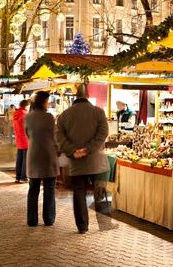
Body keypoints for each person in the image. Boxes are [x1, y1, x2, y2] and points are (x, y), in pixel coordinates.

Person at [57, 85, 109, 234]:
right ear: (87, 95)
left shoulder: (64, 115)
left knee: (79, 194)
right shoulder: (99, 112)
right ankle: (104, 224)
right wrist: (89, 149)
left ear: (74, 97)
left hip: (76, 162)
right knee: (100, 191)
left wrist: (73, 151)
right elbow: (103, 133)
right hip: (96, 161)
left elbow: (59, 138)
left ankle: (82, 226)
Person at [24, 91, 59, 227]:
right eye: (47, 101)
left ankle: (32, 220)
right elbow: (54, 136)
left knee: (33, 189)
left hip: (33, 155)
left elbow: (28, 135)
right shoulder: (49, 117)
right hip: (48, 155)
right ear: (43, 102)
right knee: (49, 188)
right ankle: (49, 218)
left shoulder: (28, 117)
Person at [13, 100, 29, 183]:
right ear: (26, 106)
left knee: (19, 158)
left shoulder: (16, 113)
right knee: (26, 158)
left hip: (19, 139)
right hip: (25, 139)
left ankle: (18, 177)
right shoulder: (25, 114)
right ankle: (23, 177)